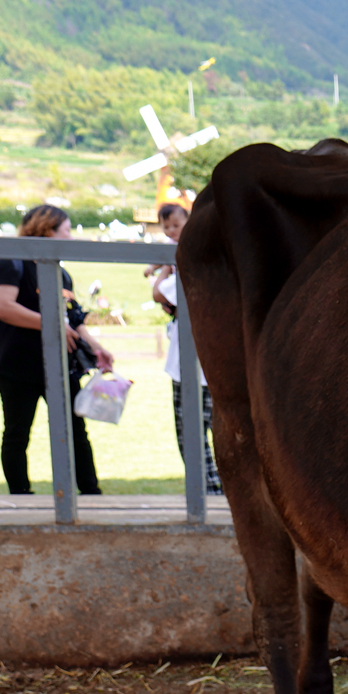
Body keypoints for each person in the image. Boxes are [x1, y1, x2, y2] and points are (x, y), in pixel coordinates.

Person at [0, 204, 115, 496]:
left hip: (59, 364)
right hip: (17, 365)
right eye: (66, 231)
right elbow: (1, 307)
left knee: (76, 431)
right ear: (47, 230)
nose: (70, 238)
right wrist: (52, 324)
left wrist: (97, 348)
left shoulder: (61, 273)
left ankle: (90, 494)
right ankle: (21, 496)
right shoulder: (10, 262)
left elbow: (73, 319)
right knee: (18, 432)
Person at [146, 202, 219, 494]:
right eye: (167, 228)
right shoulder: (210, 261)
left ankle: (209, 488)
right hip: (212, 362)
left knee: (190, 432)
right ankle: (216, 487)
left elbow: (157, 293)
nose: (171, 232)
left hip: (189, 365)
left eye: (176, 226)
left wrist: (164, 267)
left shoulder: (185, 269)